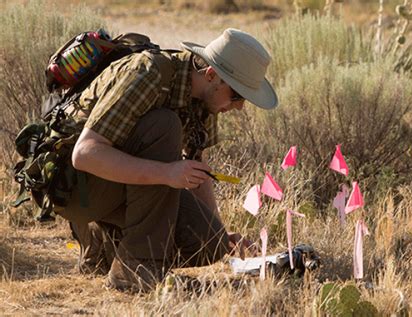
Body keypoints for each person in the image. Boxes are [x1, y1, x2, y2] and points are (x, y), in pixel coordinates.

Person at [59, 28, 278, 292]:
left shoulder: (205, 99)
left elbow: (197, 168)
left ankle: (107, 248)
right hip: (75, 186)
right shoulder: (150, 74)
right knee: (164, 125)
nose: (240, 106)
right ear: (211, 75)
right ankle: (135, 267)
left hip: (117, 185)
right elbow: (84, 155)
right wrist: (166, 173)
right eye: (237, 96)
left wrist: (219, 230)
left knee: (210, 242)